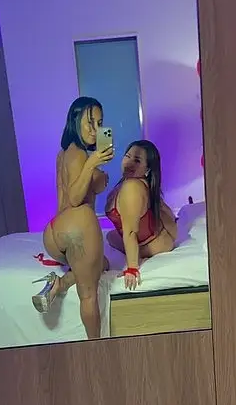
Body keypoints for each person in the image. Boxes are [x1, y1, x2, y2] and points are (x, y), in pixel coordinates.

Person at [31, 96, 114, 339]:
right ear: (75, 121)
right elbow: (76, 198)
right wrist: (93, 165)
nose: (95, 129)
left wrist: (95, 167)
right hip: (76, 224)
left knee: (102, 264)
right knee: (88, 295)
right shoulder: (80, 155)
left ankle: (59, 283)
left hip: (55, 232)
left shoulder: (65, 153)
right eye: (89, 122)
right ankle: (96, 349)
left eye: (99, 123)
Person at [103, 140, 178, 290]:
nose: (129, 163)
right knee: (110, 236)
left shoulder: (132, 187)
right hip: (148, 233)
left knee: (114, 237)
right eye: (127, 156)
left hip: (156, 243)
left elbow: (131, 232)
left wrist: (132, 268)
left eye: (137, 160)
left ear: (147, 169)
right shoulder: (126, 183)